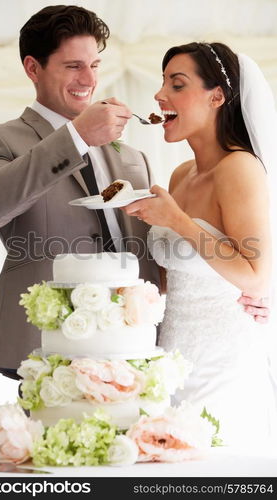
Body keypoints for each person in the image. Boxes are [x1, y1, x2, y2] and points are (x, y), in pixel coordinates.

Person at [0, 5, 160, 380]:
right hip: (43, 342)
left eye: (95, 65)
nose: (88, 79)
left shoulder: (134, 157)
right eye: (73, 66)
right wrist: (76, 137)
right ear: (33, 68)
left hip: (130, 342)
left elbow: (147, 253)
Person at [122, 42, 277, 451]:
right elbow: (176, 279)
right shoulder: (180, 174)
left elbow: (257, 277)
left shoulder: (240, 168)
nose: (159, 96)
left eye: (176, 84)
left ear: (217, 96)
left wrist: (176, 220)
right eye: (161, 83)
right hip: (169, 358)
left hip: (224, 363)